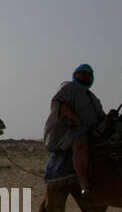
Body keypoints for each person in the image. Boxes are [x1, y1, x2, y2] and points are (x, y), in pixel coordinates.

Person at [42, 63, 103, 197]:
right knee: (80, 141)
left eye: (88, 74)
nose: (85, 76)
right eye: (82, 73)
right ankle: (84, 182)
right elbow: (60, 104)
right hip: (71, 131)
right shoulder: (69, 87)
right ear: (76, 75)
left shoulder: (91, 96)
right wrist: (76, 120)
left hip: (93, 130)